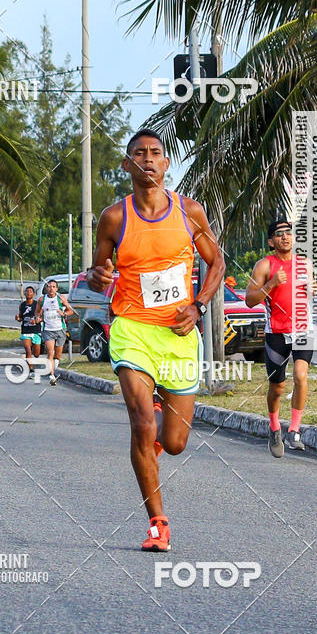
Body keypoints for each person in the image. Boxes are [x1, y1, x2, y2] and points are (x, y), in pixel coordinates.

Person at [88, 129, 224, 552]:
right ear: (127, 165)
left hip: (179, 334)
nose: (148, 159)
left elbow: (217, 261)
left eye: (156, 153)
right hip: (132, 331)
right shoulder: (114, 217)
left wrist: (199, 304)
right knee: (142, 424)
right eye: (139, 154)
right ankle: (158, 524)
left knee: (176, 442)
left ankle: (156, 439)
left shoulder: (190, 212)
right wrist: (99, 277)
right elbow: (97, 273)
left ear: (166, 164)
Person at [246, 218, 315, 457]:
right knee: (277, 386)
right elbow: (250, 299)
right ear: (271, 241)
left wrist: (312, 291)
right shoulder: (264, 266)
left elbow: (310, 294)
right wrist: (273, 283)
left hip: (304, 330)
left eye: (288, 232)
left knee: (300, 375)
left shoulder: (305, 263)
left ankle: (294, 430)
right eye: (279, 233)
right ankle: (274, 427)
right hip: (276, 332)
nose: (285, 237)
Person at [35, 279, 73, 384]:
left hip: (60, 329)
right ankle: (52, 375)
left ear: (56, 288)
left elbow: (70, 310)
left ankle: (54, 365)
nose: (51, 289)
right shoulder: (42, 300)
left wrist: (64, 314)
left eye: (53, 287)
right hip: (48, 329)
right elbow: (37, 312)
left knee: (58, 354)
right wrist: (38, 318)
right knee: (50, 352)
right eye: (49, 286)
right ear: (46, 288)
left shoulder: (61, 298)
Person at [16, 285, 42, 377]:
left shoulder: (37, 304)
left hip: (35, 330)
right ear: (25, 293)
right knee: (28, 350)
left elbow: (41, 317)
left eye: (30, 291)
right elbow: (20, 317)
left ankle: (34, 357)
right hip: (26, 330)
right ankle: (31, 369)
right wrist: (18, 318)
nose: (28, 293)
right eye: (27, 291)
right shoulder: (22, 305)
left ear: (33, 294)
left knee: (37, 354)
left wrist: (37, 320)